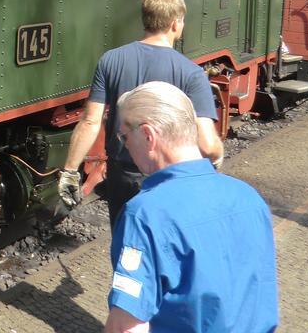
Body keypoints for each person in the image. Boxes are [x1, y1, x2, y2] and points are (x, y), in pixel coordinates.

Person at [103, 82, 277, 333]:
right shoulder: (250, 198)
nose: (126, 146)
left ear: (148, 135)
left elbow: (127, 327)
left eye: (125, 137)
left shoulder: (145, 214)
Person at [58, 0, 224, 226]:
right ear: (175, 24)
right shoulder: (191, 73)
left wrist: (70, 171)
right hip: (168, 178)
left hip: (122, 176)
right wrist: (216, 160)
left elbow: (90, 121)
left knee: (126, 246)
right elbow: (208, 145)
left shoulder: (111, 60)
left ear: (146, 20)